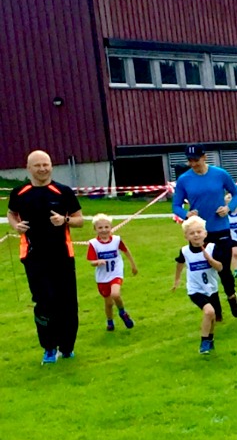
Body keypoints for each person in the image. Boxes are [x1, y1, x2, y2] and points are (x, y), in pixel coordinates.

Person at [6, 150, 84, 364]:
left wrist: (64, 219)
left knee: (67, 303)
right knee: (44, 301)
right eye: (38, 165)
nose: (42, 169)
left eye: (46, 164)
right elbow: (11, 213)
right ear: (28, 168)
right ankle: (49, 347)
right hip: (33, 257)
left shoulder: (63, 192)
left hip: (62, 256)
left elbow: (80, 220)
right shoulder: (19, 193)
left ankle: (67, 346)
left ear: (51, 166)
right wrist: (16, 226)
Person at [172, 145, 237, 317]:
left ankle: (231, 296)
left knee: (223, 267)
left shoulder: (220, 174)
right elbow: (176, 205)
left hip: (220, 228)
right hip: (199, 232)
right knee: (204, 269)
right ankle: (215, 311)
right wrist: (186, 214)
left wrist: (229, 208)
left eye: (196, 160)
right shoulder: (184, 180)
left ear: (204, 157)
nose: (193, 164)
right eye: (190, 161)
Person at [171, 216, 224, 355]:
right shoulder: (184, 251)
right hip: (195, 290)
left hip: (211, 288)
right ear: (186, 236)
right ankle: (204, 341)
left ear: (205, 233)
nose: (196, 235)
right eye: (192, 233)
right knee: (209, 312)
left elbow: (220, 268)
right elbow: (179, 263)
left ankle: (210, 339)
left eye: (199, 232)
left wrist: (210, 260)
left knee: (212, 317)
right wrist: (177, 280)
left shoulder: (212, 248)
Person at [86, 214, 138, 332]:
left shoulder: (116, 240)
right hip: (102, 277)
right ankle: (110, 321)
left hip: (115, 272)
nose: (104, 230)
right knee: (108, 303)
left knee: (115, 294)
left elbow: (125, 250)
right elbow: (91, 261)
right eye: (100, 228)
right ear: (95, 229)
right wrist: (97, 262)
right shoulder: (93, 244)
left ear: (111, 227)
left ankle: (122, 312)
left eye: (106, 227)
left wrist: (133, 265)